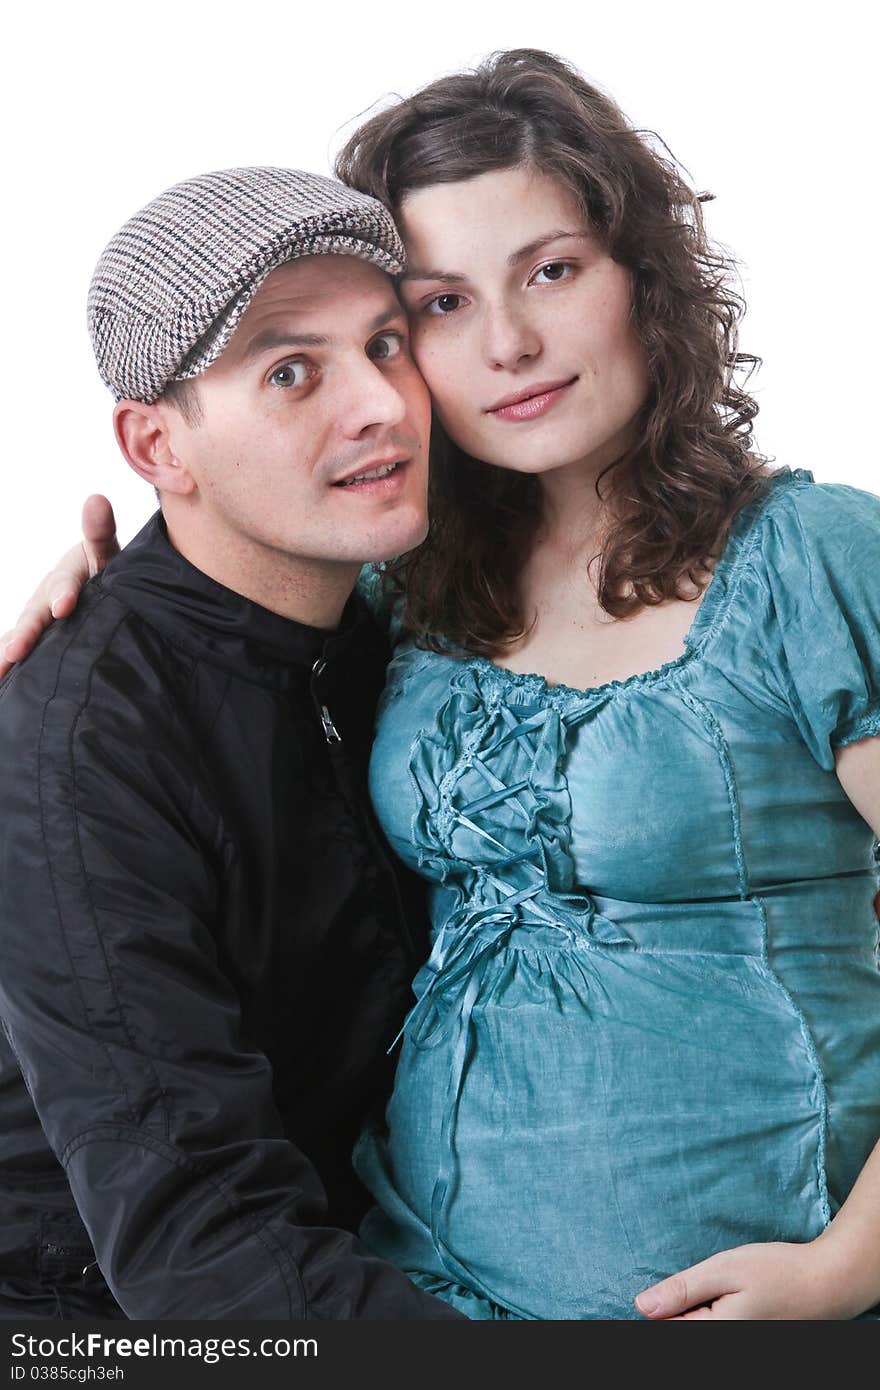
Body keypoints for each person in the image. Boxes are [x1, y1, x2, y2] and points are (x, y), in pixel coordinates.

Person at [7, 49, 880, 1321]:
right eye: (444, 305)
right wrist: (98, 613)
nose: (511, 343)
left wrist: (846, 1270)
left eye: (550, 271)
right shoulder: (403, 592)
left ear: (643, 276)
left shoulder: (808, 560)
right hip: (394, 1287)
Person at [0, 166, 463, 1320]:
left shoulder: (386, 623)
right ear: (158, 446)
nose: (380, 406)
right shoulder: (82, 744)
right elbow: (200, 1247)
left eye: (387, 344)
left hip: (365, 1247)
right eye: (290, 370)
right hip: (87, 1314)